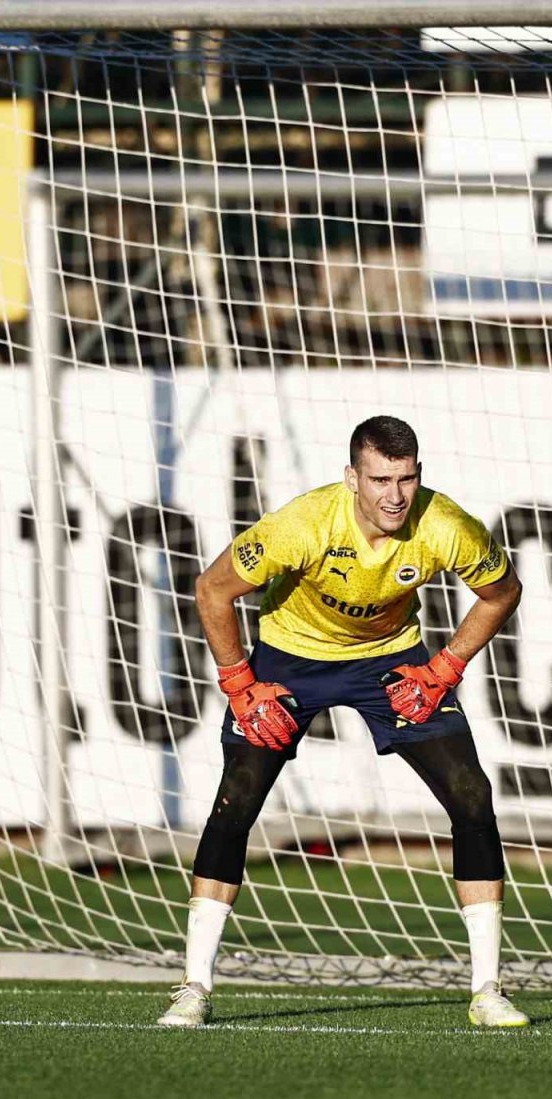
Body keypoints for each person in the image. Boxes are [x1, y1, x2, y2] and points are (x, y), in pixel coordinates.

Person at [158, 415, 527, 1028]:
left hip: (391, 662)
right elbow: (212, 590)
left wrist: (444, 668)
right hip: (290, 661)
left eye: (406, 479)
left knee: (472, 795)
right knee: (237, 800)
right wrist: (239, 685)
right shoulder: (301, 525)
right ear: (351, 477)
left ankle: (487, 989)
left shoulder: (445, 525)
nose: (394, 496)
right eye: (380, 479)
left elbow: (502, 592)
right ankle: (193, 987)